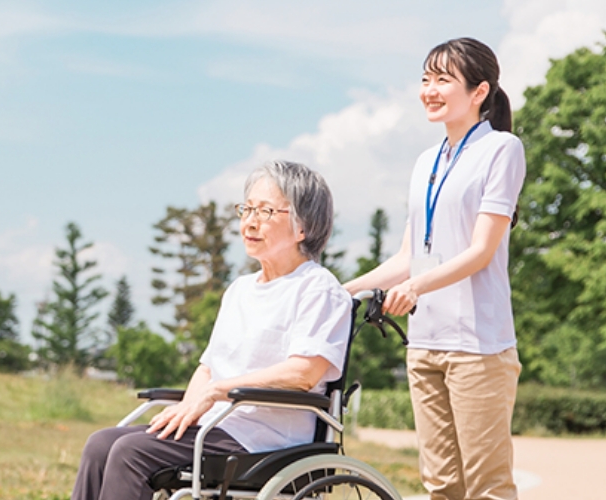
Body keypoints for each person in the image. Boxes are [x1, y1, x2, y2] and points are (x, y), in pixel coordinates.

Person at [72, 160, 351, 500]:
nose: (250, 222)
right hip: (218, 426)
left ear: (302, 227)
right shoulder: (239, 290)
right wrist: (187, 410)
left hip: (265, 438)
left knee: (131, 452)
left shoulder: (317, 288)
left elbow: (303, 372)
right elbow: (208, 367)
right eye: (246, 209)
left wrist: (217, 391)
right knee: (101, 444)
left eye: (265, 211)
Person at [344, 38, 526, 500]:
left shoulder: (501, 150)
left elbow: (482, 250)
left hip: (477, 347)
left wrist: (415, 287)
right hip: (424, 345)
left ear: (479, 91)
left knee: (487, 488)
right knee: (441, 487)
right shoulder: (426, 161)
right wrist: (341, 289)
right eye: (426, 79)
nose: (429, 89)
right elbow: (408, 256)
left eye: (443, 80)